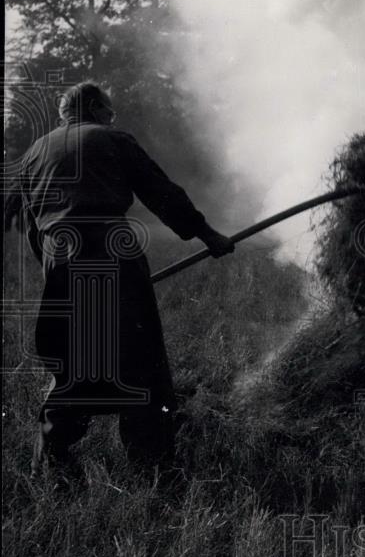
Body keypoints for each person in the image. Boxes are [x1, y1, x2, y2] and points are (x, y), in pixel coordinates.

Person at [19, 81, 234, 478]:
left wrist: (58, 269)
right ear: (98, 109)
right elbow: (161, 193)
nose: (110, 116)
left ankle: (50, 464)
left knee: (72, 361)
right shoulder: (111, 138)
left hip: (60, 262)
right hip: (111, 255)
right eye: (109, 110)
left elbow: (32, 225)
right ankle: (150, 464)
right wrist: (208, 235)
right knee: (139, 358)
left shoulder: (35, 153)